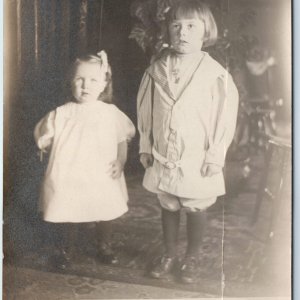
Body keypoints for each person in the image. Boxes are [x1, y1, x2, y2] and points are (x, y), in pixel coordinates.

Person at [137, 0, 239, 284]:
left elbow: (224, 116)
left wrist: (215, 154)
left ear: (206, 32)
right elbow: (145, 108)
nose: (183, 32)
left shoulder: (215, 74)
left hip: (197, 154)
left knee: (195, 204)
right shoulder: (157, 70)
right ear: (168, 31)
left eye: (191, 26)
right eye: (176, 26)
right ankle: (169, 253)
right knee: (168, 201)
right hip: (164, 151)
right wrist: (146, 144)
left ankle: (191, 257)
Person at [34, 51, 135, 269]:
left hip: (100, 172)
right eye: (79, 80)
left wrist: (120, 161)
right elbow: (44, 138)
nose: (85, 86)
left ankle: (104, 245)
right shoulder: (61, 113)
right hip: (70, 171)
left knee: (104, 207)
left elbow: (121, 140)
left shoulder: (110, 113)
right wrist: (45, 144)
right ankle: (66, 249)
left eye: (93, 80)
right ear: (71, 83)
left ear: (104, 84)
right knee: (68, 207)